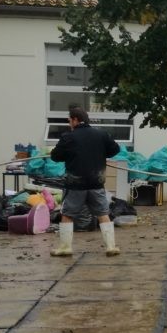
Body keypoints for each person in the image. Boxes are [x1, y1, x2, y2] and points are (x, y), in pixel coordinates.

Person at [49, 106, 121, 257]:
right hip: (97, 182)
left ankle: (65, 247)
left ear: (75, 120)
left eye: (69, 120)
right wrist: (101, 153)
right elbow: (115, 149)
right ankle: (111, 246)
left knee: (67, 214)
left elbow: (55, 156)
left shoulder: (69, 137)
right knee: (103, 213)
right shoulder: (101, 134)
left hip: (76, 184)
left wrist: (69, 156)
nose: (69, 124)